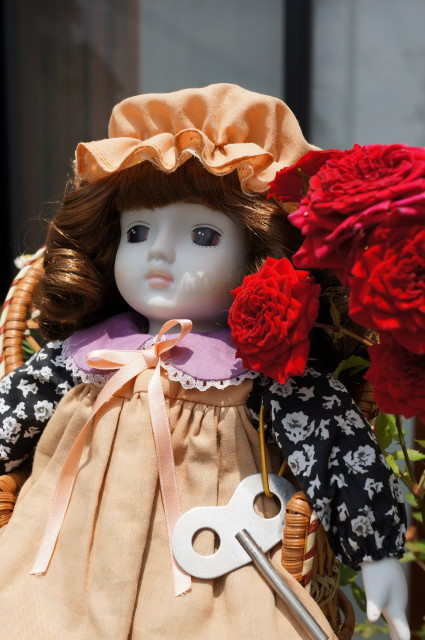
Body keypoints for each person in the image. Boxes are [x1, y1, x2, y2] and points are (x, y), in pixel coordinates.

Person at [0, 84, 409, 639]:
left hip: (211, 570)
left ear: (257, 252)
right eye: (138, 232)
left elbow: (335, 444)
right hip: (62, 559)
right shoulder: (85, 354)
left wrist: (376, 551)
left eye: (202, 234)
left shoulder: (255, 367)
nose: (159, 251)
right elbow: (12, 413)